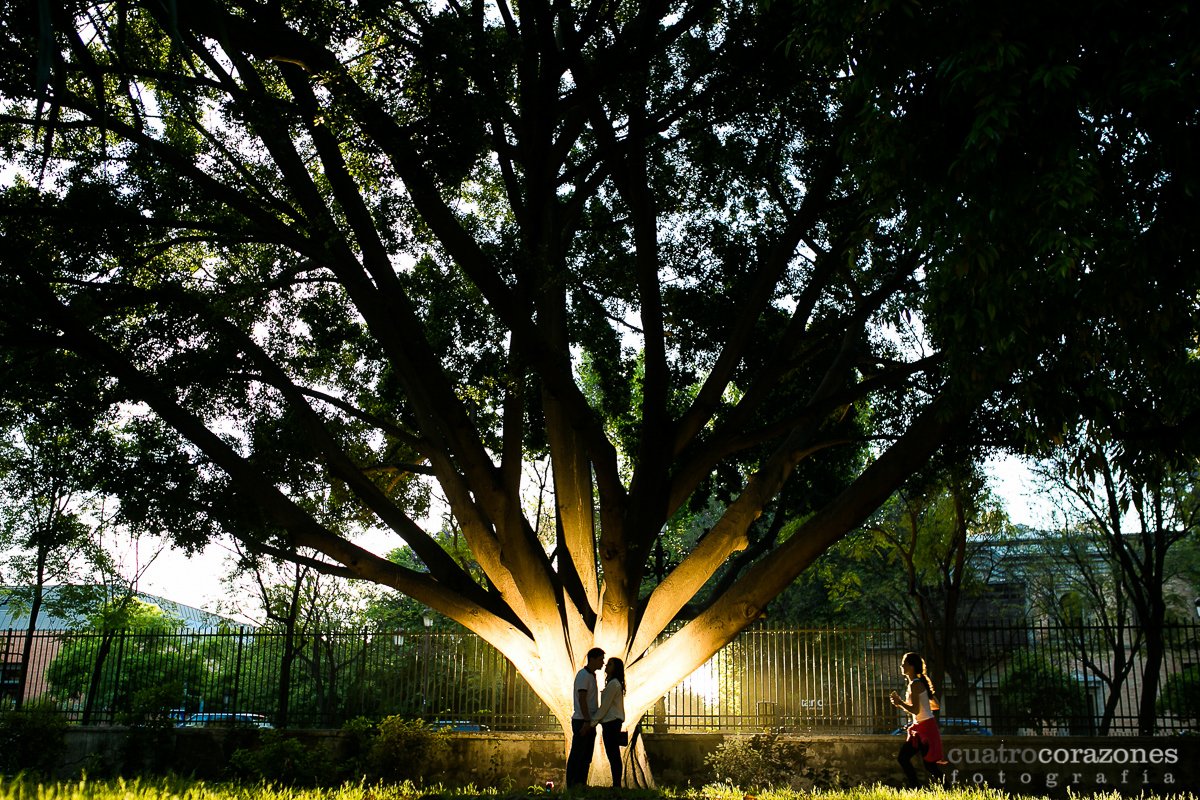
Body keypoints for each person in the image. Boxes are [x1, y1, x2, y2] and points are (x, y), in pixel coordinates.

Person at [889, 651, 947, 788]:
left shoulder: (915, 684)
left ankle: (918, 787)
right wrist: (924, 701)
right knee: (927, 765)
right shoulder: (919, 683)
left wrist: (899, 702)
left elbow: (915, 710)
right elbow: (936, 705)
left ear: (911, 666)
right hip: (923, 727)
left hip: (925, 729)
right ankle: (920, 787)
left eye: (904, 663)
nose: (901, 666)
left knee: (908, 759)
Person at [566, 647, 604, 787]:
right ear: (592, 659)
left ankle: (581, 783)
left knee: (586, 755)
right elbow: (582, 699)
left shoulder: (591, 675)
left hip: (588, 720)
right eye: (600, 659)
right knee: (578, 754)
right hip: (582, 720)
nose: (603, 663)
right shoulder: (583, 675)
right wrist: (587, 721)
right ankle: (572, 784)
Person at [588, 656, 627, 788]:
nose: (606, 666)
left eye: (610, 664)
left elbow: (604, 707)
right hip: (611, 722)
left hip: (612, 722)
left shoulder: (613, 684)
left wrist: (592, 723)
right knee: (613, 753)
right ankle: (616, 784)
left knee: (613, 754)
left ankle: (617, 784)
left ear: (615, 668)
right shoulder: (613, 683)